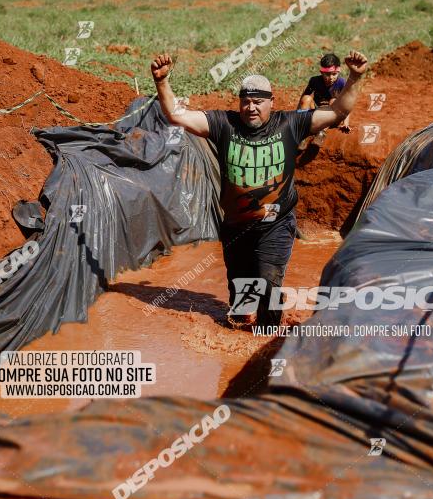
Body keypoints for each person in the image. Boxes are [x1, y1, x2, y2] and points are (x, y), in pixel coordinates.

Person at [150, 50, 368, 329]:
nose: (250, 107)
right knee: (241, 302)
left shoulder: (290, 124)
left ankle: (266, 346)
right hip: (236, 225)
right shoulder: (223, 123)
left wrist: (355, 77)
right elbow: (178, 115)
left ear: (271, 103)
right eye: (245, 101)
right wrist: (162, 82)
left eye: (257, 102)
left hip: (276, 224)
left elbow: (338, 111)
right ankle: (238, 340)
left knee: (268, 285)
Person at [297, 53, 351, 150]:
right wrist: (296, 116)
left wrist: (346, 123)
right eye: (327, 74)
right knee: (306, 98)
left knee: (333, 101)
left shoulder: (342, 82)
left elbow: (346, 104)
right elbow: (303, 98)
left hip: (333, 116)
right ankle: (302, 133)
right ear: (321, 72)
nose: (330, 78)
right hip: (318, 112)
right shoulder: (314, 81)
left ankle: (321, 132)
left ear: (338, 72)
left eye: (334, 74)